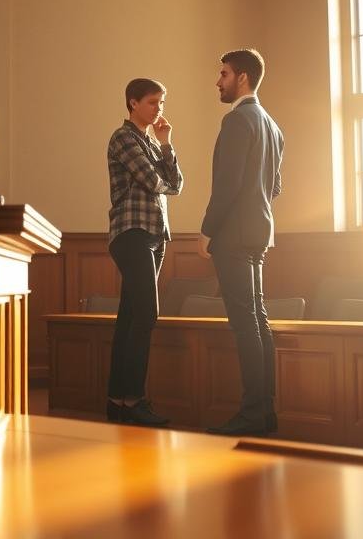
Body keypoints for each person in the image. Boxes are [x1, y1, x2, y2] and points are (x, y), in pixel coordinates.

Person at [199, 48, 283, 436]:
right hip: (260, 233)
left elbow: (227, 185)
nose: (219, 81)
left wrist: (208, 229)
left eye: (224, 74)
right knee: (258, 320)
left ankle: (251, 415)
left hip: (233, 235)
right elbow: (275, 188)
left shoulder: (237, 121)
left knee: (244, 323)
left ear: (243, 78)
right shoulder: (272, 125)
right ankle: (265, 413)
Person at [105, 78, 183, 426]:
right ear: (133, 103)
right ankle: (134, 400)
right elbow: (154, 182)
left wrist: (166, 144)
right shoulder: (123, 137)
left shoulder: (152, 141)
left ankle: (118, 401)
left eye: (161, 103)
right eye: (153, 102)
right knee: (147, 315)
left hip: (155, 235)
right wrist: (163, 179)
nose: (159, 109)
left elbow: (176, 184)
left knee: (131, 318)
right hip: (132, 232)